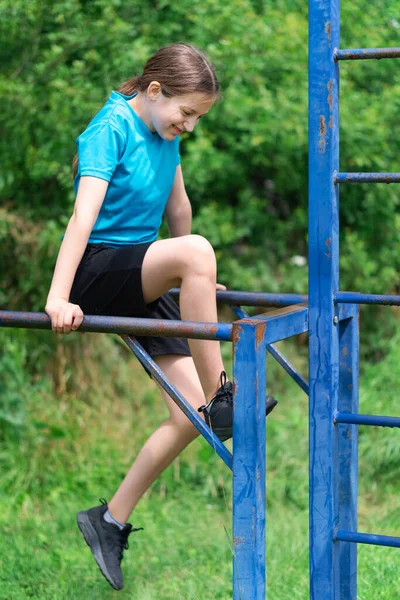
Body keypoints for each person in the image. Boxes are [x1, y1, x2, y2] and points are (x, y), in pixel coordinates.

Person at [45, 42, 277, 591]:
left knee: (188, 416)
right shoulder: (111, 128)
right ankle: (226, 389)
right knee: (196, 251)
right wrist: (58, 297)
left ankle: (109, 521)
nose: (189, 125)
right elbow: (82, 220)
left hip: (139, 276)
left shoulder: (163, 136)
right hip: (96, 274)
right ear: (154, 92)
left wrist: (193, 275)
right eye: (186, 113)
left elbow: (179, 212)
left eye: (197, 117)